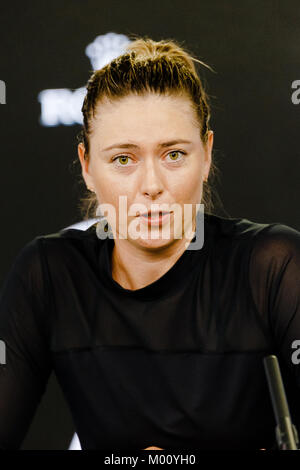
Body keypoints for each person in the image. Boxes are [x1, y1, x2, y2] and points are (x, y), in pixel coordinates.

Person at [0, 35, 300, 451]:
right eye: (124, 159)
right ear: (87, 166)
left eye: (173, 154)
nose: (152, 186)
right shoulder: (51, 276)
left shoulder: (273, 267)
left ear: (207, 153)